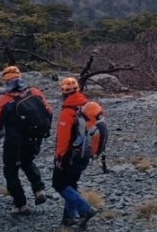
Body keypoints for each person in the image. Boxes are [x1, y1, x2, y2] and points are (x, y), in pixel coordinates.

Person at [0, 65, 54, 215]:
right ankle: (39, 190)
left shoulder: (4, 100)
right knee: (28, 162)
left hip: (14, 143)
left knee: (10, 171)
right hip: (34, 139)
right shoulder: (35, 92)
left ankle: (20, 204)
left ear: (5, 81)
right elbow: (49, 111)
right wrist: (45, 131)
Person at [52, 77, 99, 227]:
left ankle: (85, 209)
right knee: (71, 184)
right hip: (84, 154)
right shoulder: (86, 106)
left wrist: (60, 157)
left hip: (69, 155)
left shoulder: (68, 111)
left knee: (58, 184)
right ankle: (69, 217)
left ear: (63, 92)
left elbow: (63, 139)